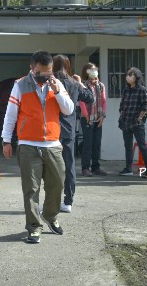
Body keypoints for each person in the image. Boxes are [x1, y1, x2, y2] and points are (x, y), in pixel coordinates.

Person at [2, 50, 75, 244]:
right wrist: (6, 140)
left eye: (49, 71)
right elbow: (10, 115)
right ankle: (34, 227)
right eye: (42, 72)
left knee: (58, 185)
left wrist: (57, 91)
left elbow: (69, 109)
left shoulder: (56, 84)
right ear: (32, 69)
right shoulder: (19, 85)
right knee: (31, 189)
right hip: (28, 144)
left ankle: (50, 216)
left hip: (53, 143)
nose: (45, 76)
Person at [52, 54, 91, 213]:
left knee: (51, 167)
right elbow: (90, 99)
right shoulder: (74, 83)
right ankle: (68, 201)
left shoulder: (51, 82)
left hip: (52, 129)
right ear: (68, 66)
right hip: (68, 129)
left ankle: (52, 201)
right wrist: (81, 84)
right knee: (69, 166)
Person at [118, 67, 147, 176]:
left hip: (137, 123)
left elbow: (145, 105)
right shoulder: (126, 90)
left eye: (131, 74)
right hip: (126, 122)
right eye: (127, 74)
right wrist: (121, 115)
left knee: (142, 146)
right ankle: (128, 169)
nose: (128, 76)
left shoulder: (141, 89)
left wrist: (140, 118)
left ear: (136, 77)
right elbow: (122, 105)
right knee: (128, 147)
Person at [80, 62, 108, 177]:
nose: (94, 72)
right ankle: (85, 168)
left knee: (96, 143)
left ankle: (96, 167)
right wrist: (86, 117)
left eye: (95, 69)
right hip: (87, 118)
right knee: (88, 143)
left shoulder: (101, 85)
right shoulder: (83, 85)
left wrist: (103, 116)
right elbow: (81, 102)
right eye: (91, 70)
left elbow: (104, 101)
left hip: (98, 118)